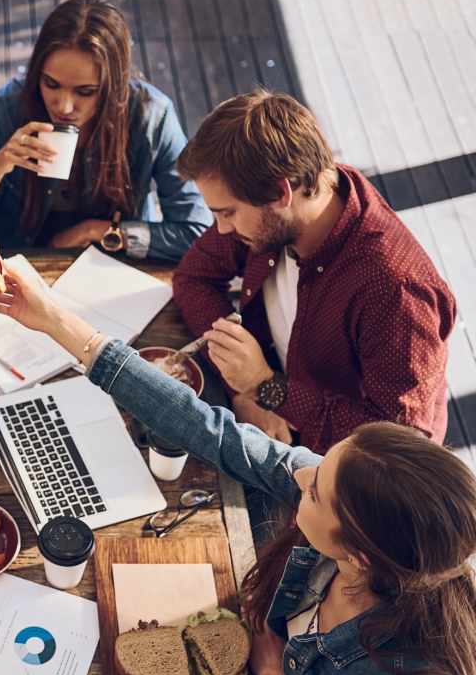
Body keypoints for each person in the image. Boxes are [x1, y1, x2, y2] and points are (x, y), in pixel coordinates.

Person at [0, 216, 476, 675]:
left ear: (360, 556)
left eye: (317, 491)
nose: (302, 474)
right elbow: (211, 431)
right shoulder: (359, 522)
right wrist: (55, 319)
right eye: (321, 466)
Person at [171, 90, 455, 453]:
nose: (223, 229)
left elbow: (399, 448)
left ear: (280, 192)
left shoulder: (395, 288)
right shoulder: (272, 213)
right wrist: (242, 386)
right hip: (274, 417)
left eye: (227, 213)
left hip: (342, 475)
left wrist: (267, 388)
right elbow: (193, 277)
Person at [0, 0, 211, 261]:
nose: (64, 106)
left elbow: (196, 231)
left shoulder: (150, 116)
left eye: (85, 91)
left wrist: (98, 231)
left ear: (113, 86)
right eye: (51, 84)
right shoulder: (5, 109)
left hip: (115, 266)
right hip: (20, 262)